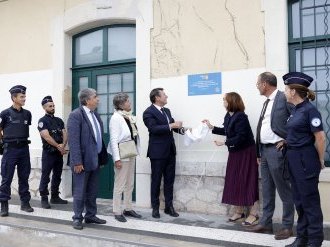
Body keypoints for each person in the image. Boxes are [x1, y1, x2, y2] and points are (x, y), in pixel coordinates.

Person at [248, 72, 295, 240]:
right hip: (265, 152)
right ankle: (266, 222)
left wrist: (288, 140)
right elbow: (264, 125)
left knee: (284, 190)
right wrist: (258, 151)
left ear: (265, 84)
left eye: (258, 83)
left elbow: (297, 119)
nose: (257, 86)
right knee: (267, 190)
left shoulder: (283, 98)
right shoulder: (266, 102)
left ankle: (287, 226)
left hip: (277, 151)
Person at [203, 92, 259, 226]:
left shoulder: (241, 117)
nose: (223, 102)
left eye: (225, 100)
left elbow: (241, 136)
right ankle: (239, 211)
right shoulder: (228, 115)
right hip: (235, 153)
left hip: (246, 153)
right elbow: (226, 131)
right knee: (235, 180)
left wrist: (224, 143)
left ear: (232, 101)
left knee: (247, 180)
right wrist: (211, 127)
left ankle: (253, 213)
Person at [283, 72, 325, 247]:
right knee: (299, 200)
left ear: (293, 91)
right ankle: (302, 238)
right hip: (293, 158)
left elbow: (320, 137)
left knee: (309, 201)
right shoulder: (296, 111)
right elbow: (298, 133)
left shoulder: (310, 110)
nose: (284, 92)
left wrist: (320, 159)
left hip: (305, 159)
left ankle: (314, 240)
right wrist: (285, 141)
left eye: (286, 89)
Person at [67, 88, 107, 230]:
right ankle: (77, 217)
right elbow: (73, 141)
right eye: (95, 96)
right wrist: (77, 162)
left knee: (92, 190)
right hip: (81, 162)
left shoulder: (95, 114)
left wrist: (101, 158)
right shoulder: (75, 115)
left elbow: (98, 138)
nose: (98, 99)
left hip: (94, 160)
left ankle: (90, 215)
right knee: (80, 191)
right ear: (87, 100)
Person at [143, 88, 185, 218]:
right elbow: (153, 128)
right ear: (157, 97)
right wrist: (171, 126)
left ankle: (169, 207)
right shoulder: (148, 112)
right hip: (157, 153)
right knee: (156, 180)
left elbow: (173, 126)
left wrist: (186, 131)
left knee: (169, 180)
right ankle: (155, 208)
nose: (166, 96)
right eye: (164, 95)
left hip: (170, 151)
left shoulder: (167, 111)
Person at [0, 85, 34, 217]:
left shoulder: (27, 114)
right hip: (10, 149)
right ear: (14, 98)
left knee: (24, 177)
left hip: (24, 149)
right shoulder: (4, 114)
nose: (24, 98)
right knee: (6, 178)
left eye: (24, 96)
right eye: (22, 96)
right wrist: (2, 143)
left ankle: (25, 203)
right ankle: (3, 204)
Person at [107, 93, 142, 222]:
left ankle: (128, 208)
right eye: (127, 101)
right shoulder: (116, 118)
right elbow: (114, 139)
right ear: (121, 104)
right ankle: (117, 210)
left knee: (130, 183)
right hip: (122, 153)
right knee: (120, 184)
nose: (130, 103)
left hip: (131, 151)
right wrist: (117, 159)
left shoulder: (128, 116)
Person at [37, 96, 68, 209]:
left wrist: (63, 145)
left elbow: (65, 133)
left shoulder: (59, 120)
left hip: (58, 153)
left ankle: (55, 197)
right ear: (45, 107)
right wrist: (58, 146)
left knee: (57, 175)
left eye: (53, 105)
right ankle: (44, 198)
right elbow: (46, 136)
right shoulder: (42, 121)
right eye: (50, 106)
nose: (53, 107)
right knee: (46, 176)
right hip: (49, 153)